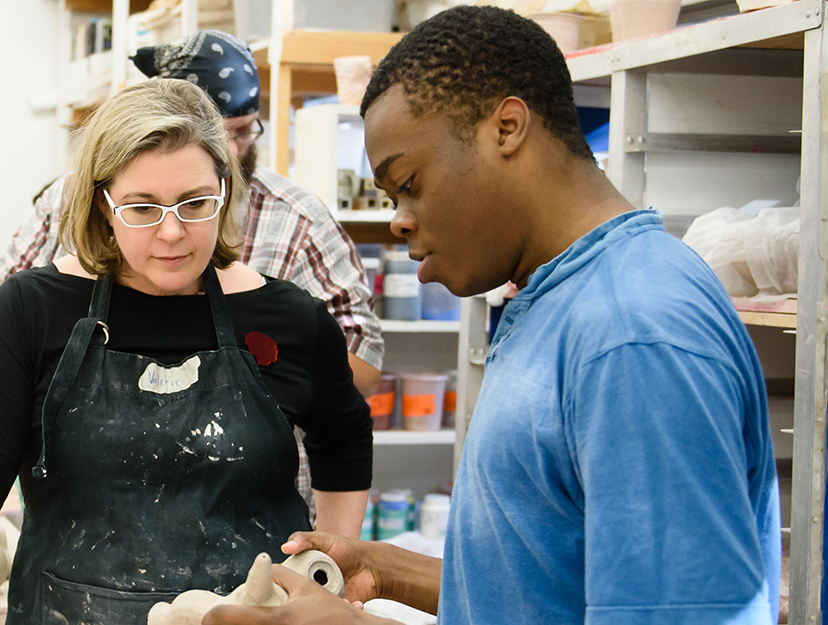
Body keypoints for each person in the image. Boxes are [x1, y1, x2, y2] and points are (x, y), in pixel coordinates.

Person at [203, 7, 781, 625]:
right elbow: (544, 583)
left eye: (410, 183)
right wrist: (390, 570)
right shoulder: (556, 299)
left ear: (507, 127)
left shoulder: (634, 334)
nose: (398, 220)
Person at [0, 79, 373, 625]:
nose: (172, 233)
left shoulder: (288, 317)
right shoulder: (30, 312)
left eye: (195, 203)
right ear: (103, 205)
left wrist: (330, 580)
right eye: (142, 208)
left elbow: (344, 440)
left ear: (225, 190)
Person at [0, 30, 383, 397]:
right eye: (142, 207)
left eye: (243, 132)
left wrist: (263, 349)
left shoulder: (297, 218)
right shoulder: (70, 199)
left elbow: (362, 370)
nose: (232, 152)